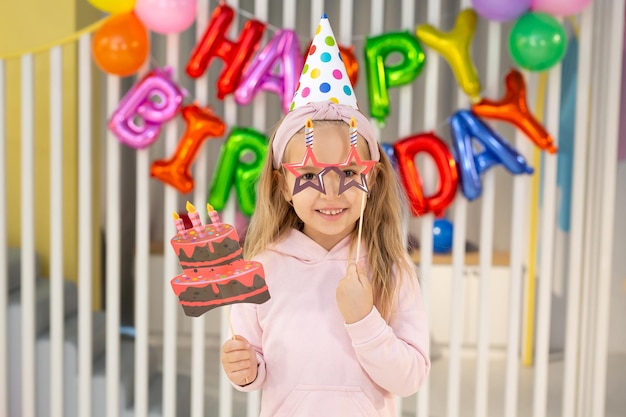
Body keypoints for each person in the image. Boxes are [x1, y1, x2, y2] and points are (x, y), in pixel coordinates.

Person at [220, 14, 429, 417]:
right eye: (310, 175)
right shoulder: (260, 269)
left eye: (349, 173)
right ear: (283, 185)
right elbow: (255, 365)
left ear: (373, 177)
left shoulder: (390, 267)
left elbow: (410, 379)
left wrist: (364, 320)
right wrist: (243, 369)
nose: (331, 192)